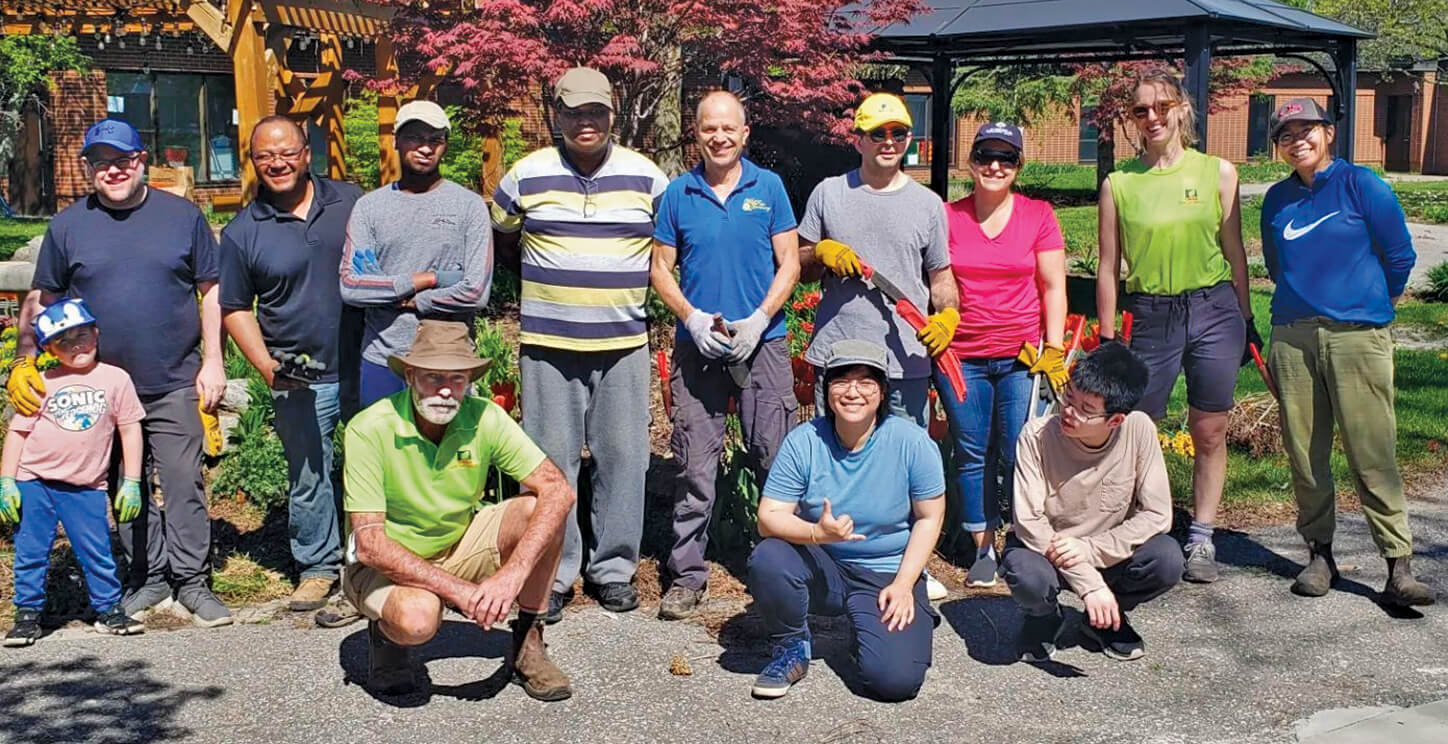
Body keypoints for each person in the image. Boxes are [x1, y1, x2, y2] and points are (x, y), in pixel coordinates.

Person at [8, 118, 231, 626]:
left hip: (174, 378)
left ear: (140, 161)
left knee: (182, 482)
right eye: (100, 162)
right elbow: (43, 297)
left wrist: (214, 360)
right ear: (88, 168)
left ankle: (193, 582)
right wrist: (26, 360)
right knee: (119, 485)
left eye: (122, 159)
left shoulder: (182, 217)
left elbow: (211, 289)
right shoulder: (68, 226)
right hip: (98, 389)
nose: (112, 170)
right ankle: (149, 577)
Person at [490, 67, 669, 622]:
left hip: (623, 343)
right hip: (548, 343)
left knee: (625, 459)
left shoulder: (648, 179)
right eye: (573, 112)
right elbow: (501, 231)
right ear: (557, 116)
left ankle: (613, 569)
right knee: (551, 464)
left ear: (612, 115)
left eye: (595, 112)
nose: (584, 121)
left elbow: (667, 248)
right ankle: (557, 572)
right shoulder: (526, 175)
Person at [341, 320, 576, 700]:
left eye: (457, 377)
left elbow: (558, 489)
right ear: (411, 376)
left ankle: (529, 640)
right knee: (417, 618)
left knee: (541, 508)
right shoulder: (369, 428)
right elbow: (369, 544)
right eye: (433, 377)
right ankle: (387, 638)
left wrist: (512, 576)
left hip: (458, 543)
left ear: (469, 380)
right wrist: (461, 592)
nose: (446, 390)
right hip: (385, 565)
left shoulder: (484, 416)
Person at [1259, 99, 1433, 606]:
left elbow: (1399, 254)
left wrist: (1374, 301)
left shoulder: (1363, 185)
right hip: (1293, 335)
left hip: (1358, 335)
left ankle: (1398, 566)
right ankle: (1319, 554)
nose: (1297, 140)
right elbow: (1276, 265)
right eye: (1286, 134)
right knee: (1305, 453)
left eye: (1306, 129)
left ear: (1328, 133)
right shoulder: (1276, 200)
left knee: (1371, 451)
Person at [1096, 70, 1254, 584]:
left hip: (1213, 310)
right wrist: (1105, 337)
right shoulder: (1119, 184)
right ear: (1132, 120)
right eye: (1141, 110)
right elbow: (1107, 265)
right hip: (1151, 314)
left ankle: (1202, 535)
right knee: (1139, 426)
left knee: (1209, 429)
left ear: (1182, 108)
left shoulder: (1218, 173)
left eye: (1162, 105)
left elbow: (1235, 252)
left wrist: (1246, 318)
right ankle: (1141, 525)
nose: (1153, 117)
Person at [650, 91, 800, 620]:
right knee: (695, 463)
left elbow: (790, 263)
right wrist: (690, 317)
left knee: (774, 458)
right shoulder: (677, 194)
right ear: (697, 132)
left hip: (764, 345)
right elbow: (660, 268)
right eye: (708, 128)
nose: (719, 137)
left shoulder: (771, 188)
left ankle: (782, 568)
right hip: (700, 348)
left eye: (728, 128)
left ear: (745, 132)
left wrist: (760, 318)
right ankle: (688, 574)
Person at [220, 116, 365, 613]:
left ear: (307, 153)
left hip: (367, 363)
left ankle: (375, 561)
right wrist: (265, 367)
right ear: (254, 161)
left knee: (379, 467)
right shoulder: (242, 232)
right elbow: (235, 307)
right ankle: (317, 567)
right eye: (265, 156)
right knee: (309, 474)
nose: (277, 163)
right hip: (298, 374)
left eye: (287, 153)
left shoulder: (351, 201)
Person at [747, 340, 945, 701]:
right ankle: (791, 646)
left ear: (883, 392)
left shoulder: (912, 443)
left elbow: (929, 518)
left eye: (866, 381)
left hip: (886, 573)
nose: (853, 392)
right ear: (827, 389)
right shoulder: (804, 441)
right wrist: (816, 533)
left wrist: (904, 584)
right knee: (769, 556)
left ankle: (879, 626)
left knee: (893, 683)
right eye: (841, 381)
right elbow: (768, 517)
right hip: (826, 566)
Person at [938, 122, 1067, 588]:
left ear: (1019, 166)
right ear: (970, 162)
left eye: (1006, 158)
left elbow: (1053, 287)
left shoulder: (1038, 215)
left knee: (1020, 450)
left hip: (1021, 358)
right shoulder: (948, 217)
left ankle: (1023, 539)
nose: (995, 166)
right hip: (962, 356)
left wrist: (1053, 349)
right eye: (986, 156)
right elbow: (934, 280)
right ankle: (983, 549)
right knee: (972, 453)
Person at [1003, 343, 1182, 663]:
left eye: (1086, 409)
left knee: (1167, 558)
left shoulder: (1138, 429)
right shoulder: (1036, 435)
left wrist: (1090, 549)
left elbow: (1157, 514)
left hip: (1107, 552)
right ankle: (1044, 617)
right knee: (1023, 570)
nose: (1069, 412)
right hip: (1048, 551)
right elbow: (1030, 524)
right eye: (1069, 396)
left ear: (1115, 420)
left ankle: (1105, 617)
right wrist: (1088, 583)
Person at [797, 92, 959, 428]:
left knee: (904, 466)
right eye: (877, 134)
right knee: (836, 464)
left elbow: (941, 278)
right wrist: (820, 252)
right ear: (858, 141)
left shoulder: (929, 205)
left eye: (898, 134)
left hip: (905, 360)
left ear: (909, 139)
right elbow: (798, 268)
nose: (889, 142)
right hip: (840, 355)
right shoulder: (828, 193)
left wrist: (948, 316)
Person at [2, 299, 147, 645]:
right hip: (34, 481)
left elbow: (129, 429)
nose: (76, 345)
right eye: (63, 341)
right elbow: (18, 434)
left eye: (82, 334)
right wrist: (7, 480)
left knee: (95, 550)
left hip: (86, 485)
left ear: (96, 333)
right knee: (32, 550)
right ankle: (27, 614)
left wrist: (133, 481)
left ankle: (109, 609)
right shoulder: (41, 382)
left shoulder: (116, 379)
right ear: (49, 348)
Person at [340, 100, 493, 408]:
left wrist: (409, 299)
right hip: (384, 356)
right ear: (396, 140)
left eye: (435, 139)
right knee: (386, 453)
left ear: (445, 146)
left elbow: (476, 291)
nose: (425, 147)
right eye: (415, 137)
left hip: (449, 361)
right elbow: (352, 287)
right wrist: (429, 279)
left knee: (449, 455)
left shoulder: (469, 206)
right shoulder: (369, 207)